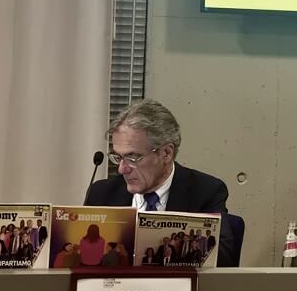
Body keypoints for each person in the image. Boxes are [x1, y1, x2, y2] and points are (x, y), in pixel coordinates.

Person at [83, 99, 237, 266]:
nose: (122, 169)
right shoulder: (101, 193)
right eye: (118, 157)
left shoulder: (206, 191)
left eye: (132, 157)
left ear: (166, 153)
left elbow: (224, 259)